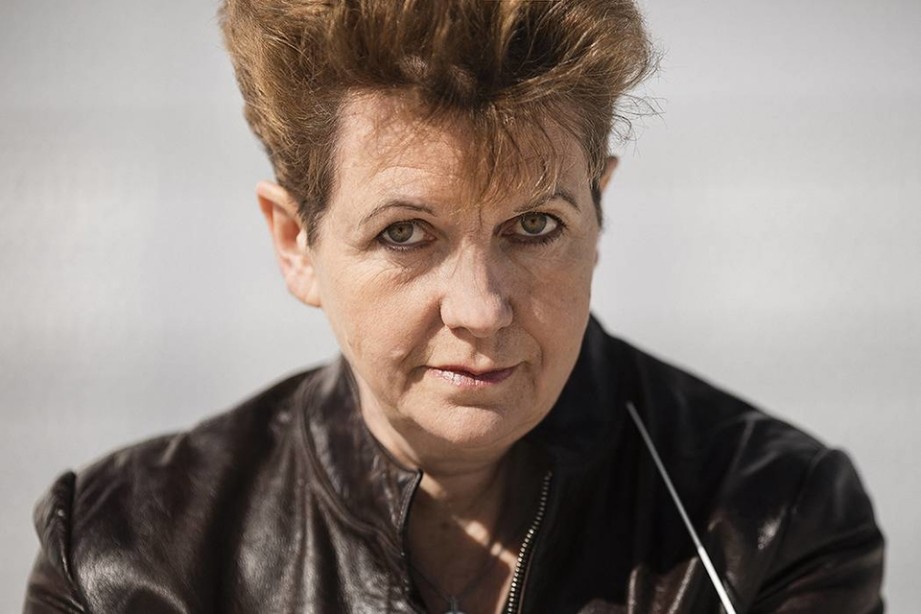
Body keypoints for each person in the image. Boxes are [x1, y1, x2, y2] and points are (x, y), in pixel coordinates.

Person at [24, 1, 884, 612]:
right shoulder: (126, 557)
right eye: (404, 233)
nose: (481, 309)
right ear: (295, 244)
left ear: (598, 213)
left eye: (534, 226)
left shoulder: (769, 517)